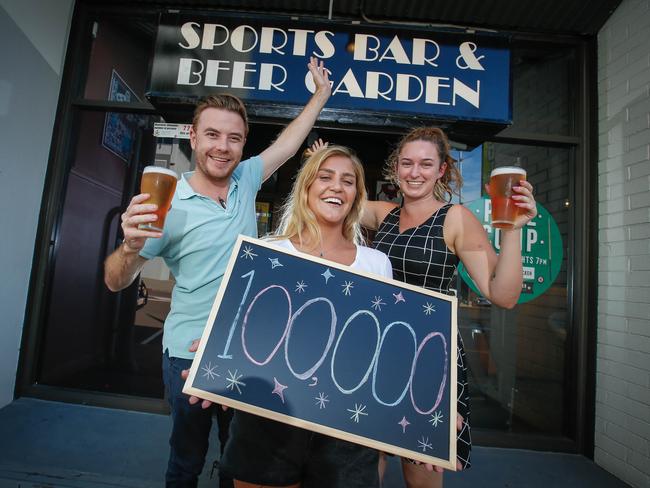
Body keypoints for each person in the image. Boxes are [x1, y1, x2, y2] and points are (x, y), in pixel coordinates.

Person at [103, 57, 331, 488]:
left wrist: (319, 96)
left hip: (241, 354)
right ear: (193, 136)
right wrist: (131, 247)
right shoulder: (168, 203)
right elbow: (116, 280)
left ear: (243, 144)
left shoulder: (246, 179)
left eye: (234, 138)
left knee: (238, 461)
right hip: (188, 352)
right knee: (185, 461)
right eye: (212, 135)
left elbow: (287, 143)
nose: (222, 147)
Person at [361, 126, 537, 488]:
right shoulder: (383, 214)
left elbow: (503, 295)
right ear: (396, 168)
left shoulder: (455, 218)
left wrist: (514, 229)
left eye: (426, 164)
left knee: (421, 469)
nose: (415, 172)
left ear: (442, 170)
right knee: (365, 463)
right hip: (379, 350)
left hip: (429, 357)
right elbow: (328, 199)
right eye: (407, 163)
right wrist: (317, 163)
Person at [214, 144, 393, 488]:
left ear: (356, 196)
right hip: (269, 418)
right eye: (325, 177)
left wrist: (430, 415)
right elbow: (243, 334)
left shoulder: (376, 264)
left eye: (348, 181)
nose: (336, 187)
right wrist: (213, 361)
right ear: (307, 187)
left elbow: (385, 355)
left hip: (346, 428)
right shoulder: (268, 253)